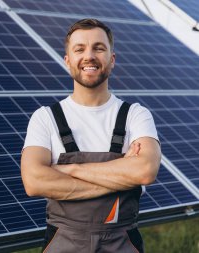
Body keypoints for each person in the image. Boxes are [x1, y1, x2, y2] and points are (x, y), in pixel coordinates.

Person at [21, 18, 161, 253]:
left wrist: (69, 169)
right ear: (68, 61)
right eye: (79, 49)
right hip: (62, 242)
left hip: (123, 243)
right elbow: (34, 182)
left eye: (99, 48)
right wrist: (121, 175)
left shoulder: (136, 115)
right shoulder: (45, 118)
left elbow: (145, 171)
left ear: (112, 59)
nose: (89, 56)